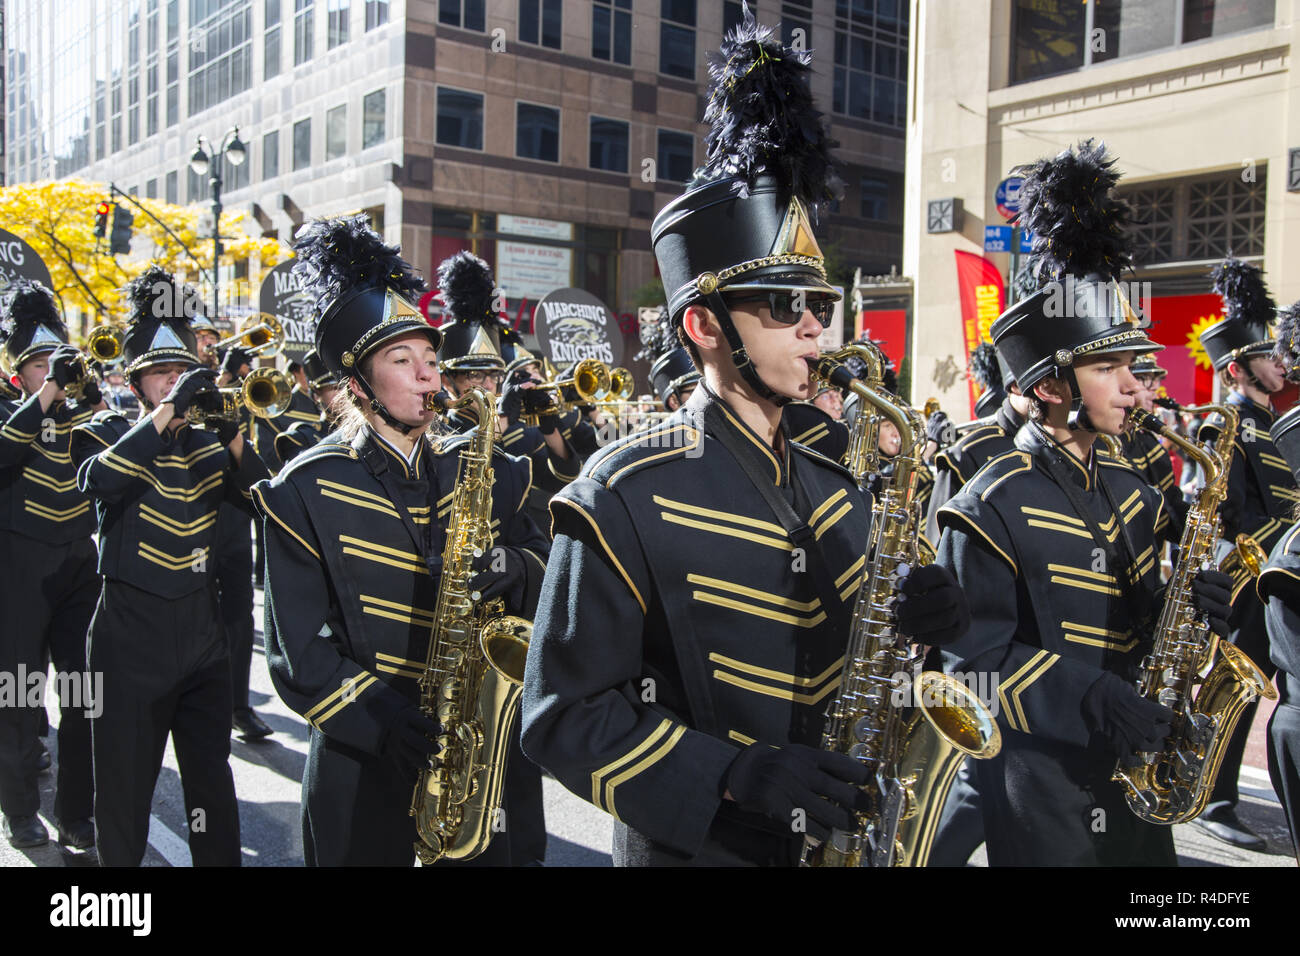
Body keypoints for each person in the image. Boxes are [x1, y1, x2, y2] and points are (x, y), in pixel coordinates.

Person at [521, 11, 970, 866]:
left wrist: (922, 627)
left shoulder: (841, 487)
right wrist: (729, 772)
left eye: (818, 306)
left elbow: (865, 673)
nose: (813, 331)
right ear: (702, 324)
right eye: (781, 307)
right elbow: (561, 717)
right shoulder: (622, 491)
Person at [934, 140, 1231, 866]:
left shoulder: (1133, 487)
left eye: (1135, 368)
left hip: (1136, 763)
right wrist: (1090, 696)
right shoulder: (988, 504)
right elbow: (969, 666)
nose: (1137, 388)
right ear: (1048, 388)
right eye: (1111, 369)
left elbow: (1137, 622)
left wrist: (1188, 607)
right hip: (1042, 786)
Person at [253, 215, 549, 866]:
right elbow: (297, 653)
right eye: (402, 361)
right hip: (364, 760)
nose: (428, 377)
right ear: (357, 386)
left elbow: (550, 560)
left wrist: (520, 567)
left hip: (477, 759)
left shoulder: (489, 466)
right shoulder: (304, 489)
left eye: (431, 359)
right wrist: (378, 717)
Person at [70, 266, 268, 866]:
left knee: (210, 784)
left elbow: (268, 502)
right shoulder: (103, 430)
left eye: (182, 372)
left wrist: (234, 432)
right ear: (136, 383)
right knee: (125, 790)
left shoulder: (212, 437)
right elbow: (97, 482)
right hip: (129, 633)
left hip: (201, 635)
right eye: (161, 374)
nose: (175, 383)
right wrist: (166, 416)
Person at [1191, 257, 1295, 850]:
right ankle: (1215, 797)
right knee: (1240, 686)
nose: (1279, 363)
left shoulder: (1283, 421)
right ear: (1238, 367)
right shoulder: (1228, 423)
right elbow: (1227, 508)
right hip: (1248, 573)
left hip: (1281, 571)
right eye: (1267, 356)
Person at [0, 279, 102, 850]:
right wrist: (47, 395)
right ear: (20, 375)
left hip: (78, 568)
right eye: (40, 365)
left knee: (87, 694)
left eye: (58, 362)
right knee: (17, 695)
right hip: (17, 572)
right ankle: (18, 808)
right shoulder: (7, 413)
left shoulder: (86, 418)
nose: (53, 372)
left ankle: (76, 810)